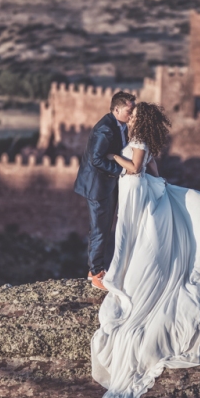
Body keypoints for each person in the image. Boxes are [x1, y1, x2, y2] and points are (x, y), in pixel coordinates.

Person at [90, 101, 200, 398]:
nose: (131, 117)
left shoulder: (138, 142)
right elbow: (155, 171)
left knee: (135, 241)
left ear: (142, 122)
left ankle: (134, 286)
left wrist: (112, 156)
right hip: (136, 195)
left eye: (136, 114)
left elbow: (136, 168)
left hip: (137, 196)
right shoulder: (140, 141)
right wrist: (163, 186)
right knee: (130, 241)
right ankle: (125, 276)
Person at [74, 91, 136, 288]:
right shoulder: (105, 129)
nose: (132, 112)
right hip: (98, 187)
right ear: (116, 109)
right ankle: (95, 274)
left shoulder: (120, 125)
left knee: (104, 228)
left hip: (108, 185)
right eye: (129, 109)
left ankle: (96, 269)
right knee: (100, 229)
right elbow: (97, 159)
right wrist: (121, 171)